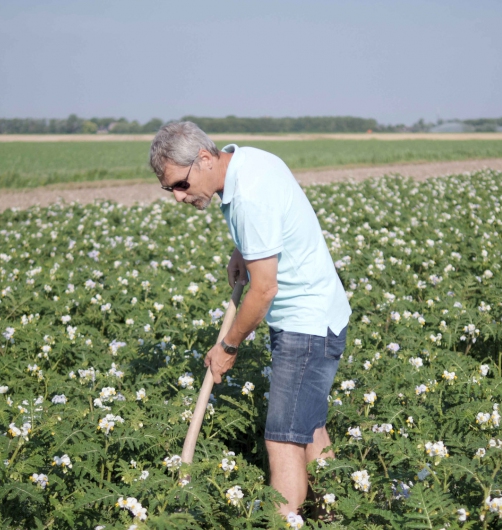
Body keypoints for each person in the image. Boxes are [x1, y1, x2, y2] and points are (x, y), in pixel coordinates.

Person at [149, 121, 351, 518]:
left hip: (305, 324)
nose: (177, 197)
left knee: (282, 441)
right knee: (307, 427)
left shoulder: (249, 198)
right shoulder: (248, 161)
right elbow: (273, 222)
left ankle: (285, 521)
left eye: (180, 184)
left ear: (204, 159)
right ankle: (337, 511)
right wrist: (246, 248)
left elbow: (263, 291)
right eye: (168, 189)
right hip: (320, 313)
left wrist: (228, 347)